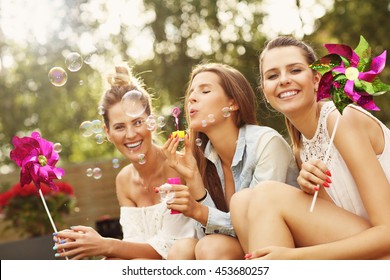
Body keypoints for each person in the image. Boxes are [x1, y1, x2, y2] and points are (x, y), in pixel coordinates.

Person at [230, 36, 390, 259]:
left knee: (268, 194)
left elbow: (387, 234)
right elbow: (336, 219)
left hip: (382, 248)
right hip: (359, 244)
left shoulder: (342, 120)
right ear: (265, 91)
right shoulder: (301, 149)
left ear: (316, 80)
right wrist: (314, 190)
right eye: (273, 75)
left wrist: (293, 258)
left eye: (295, 70)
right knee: (241, 202)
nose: (284, 80)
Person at [53, 66, 203, 260]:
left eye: (137, 122)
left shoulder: (180, 164)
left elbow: (169, 247)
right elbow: (135, 244)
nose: (131, 135)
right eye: (119, 127)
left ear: (152, 122)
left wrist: (104, 244)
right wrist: (89, 245)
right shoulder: (124, 179)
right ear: (108, 132)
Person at [161, 62, 299, 259]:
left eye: (205, 91)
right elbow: (208, 232)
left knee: (210, 248)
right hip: (245, 248)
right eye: (191, 93)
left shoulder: (266, 143)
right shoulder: (204, 156)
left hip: (283, 249)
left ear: (232, 104)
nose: (191, 98)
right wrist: (193, 179)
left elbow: (256, 225)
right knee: (182, 250)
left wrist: (199, 211)